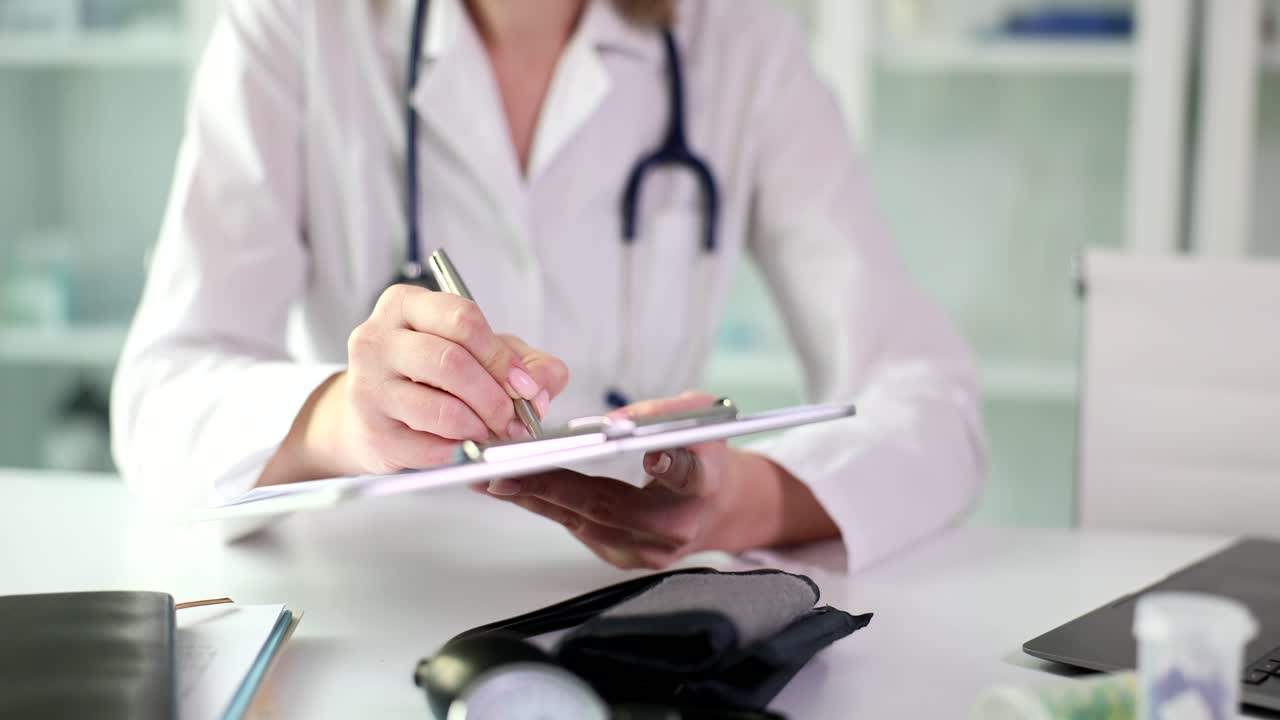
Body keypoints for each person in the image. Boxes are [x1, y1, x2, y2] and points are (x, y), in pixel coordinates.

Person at [111, 0, 985, 572]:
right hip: (363, 609)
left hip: (639, 614)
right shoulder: (294, 26)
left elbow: (932, 403)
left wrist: (746, 505)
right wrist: (344, 416)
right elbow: (158, 403)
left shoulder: (738, 37)